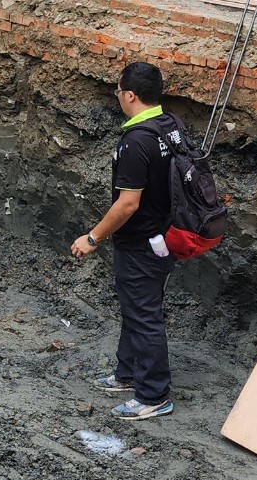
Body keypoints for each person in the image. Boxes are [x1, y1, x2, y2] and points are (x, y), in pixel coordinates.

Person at [70, 61, 177, 420]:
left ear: (130, 95)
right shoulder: (169, 126)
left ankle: (153, 395)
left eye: (118, 90)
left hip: (141, 243)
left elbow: (128, 203)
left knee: (145, 316)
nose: (117, 96)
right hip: (162, 237)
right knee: (136, 309)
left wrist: (93, 237)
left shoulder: (136, 142)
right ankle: (128, 373)